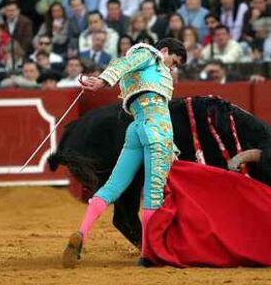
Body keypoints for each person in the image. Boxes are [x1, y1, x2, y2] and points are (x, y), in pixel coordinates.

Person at [62, 37, 187, 268]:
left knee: (111, 187)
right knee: (153, 194)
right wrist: (101, 81)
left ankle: (82, 233)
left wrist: (174, 148)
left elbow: (126, 68)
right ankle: (149, 254)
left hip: (136, 128)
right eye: (174, 61)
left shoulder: (149, 65)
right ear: (165, 50)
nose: (172, 67)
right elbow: (123, 64)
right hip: (156, 132)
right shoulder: (150, 55)